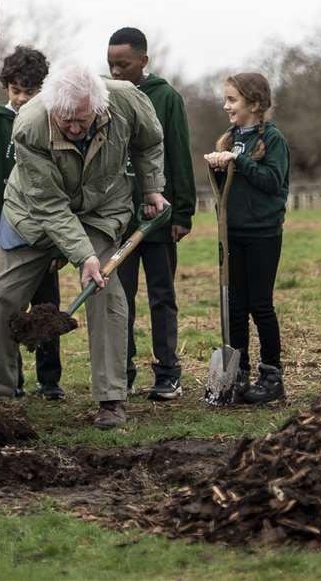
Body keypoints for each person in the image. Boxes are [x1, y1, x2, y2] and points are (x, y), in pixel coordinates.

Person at [0, 58, 166, 430]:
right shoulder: (30, 124)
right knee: (4, 295)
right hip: (34, 213)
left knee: (106, 294)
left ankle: (111, 398)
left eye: (82, 119)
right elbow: (49, 205)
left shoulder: (127, 99)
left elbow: (149, 142)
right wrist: (83, 256)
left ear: (98, 106)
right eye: (65, 120)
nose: (74, 126)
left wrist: (152, 187)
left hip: (100, 207)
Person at [107, 26, 196, 401]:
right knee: (119, 301)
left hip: (158, 218)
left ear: (143, 61)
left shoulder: (166, 98)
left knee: (161, 295)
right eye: (110, 64)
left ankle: (167, 373)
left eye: (122, 65)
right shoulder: (107, 97)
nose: (115, 72)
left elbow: (178, 151)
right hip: (118, 219)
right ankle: (120, 373)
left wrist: (182, 214)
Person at [204, 72, 290, 404]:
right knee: (234, 306)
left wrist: (238, 160)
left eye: (232, 100)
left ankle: (271, 377)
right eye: (225, 99)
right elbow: (229, 187)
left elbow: (273, 181)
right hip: (231, 233)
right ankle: (236, 375)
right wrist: (218, 164)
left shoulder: (272, 140)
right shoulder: (229, 138)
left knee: (260, 305)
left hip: (263, 234)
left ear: (254, 104)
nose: (226, 106)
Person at [0, 46, 64, 400]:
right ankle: (12, 380)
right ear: (6, 87)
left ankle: (50, 380)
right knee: (8, 309)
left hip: (45, 230)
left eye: (30, 92)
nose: (21, 99)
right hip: (8, 231)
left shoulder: (51, 124)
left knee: (47, 307)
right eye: (16, 90)